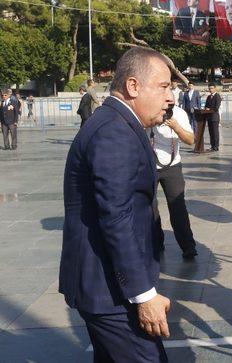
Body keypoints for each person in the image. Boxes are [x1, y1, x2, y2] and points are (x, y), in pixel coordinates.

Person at [59, 47, 174, 362]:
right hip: (110, 292)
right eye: (164, 87)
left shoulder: (117, 123)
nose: (171, 97)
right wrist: (143, 295)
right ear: (134, 86)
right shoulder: (114, 131)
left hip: (106, 285)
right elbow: (116, 216)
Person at [150, 103, 198, 259]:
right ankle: (156, 243)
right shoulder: (148, 108)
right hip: (149, 166)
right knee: (150, 207)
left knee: (178, 207)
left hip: (173, 166)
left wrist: (176, 127)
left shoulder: (178, 113)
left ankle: (188, 246)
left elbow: (191, 140)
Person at [204, 84, 222, 151]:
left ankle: (216, 146)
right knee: (211, 133)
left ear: (215, 88)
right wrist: (206, 109)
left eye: (211, 88)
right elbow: (206, 106)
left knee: (215, 133)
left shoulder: (217, 96)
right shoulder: (208, 97)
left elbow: (216, 107)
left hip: (215, 117)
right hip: (209, 117)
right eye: (209, 88)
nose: (210, 90)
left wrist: (209, 109)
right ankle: (212, 146)